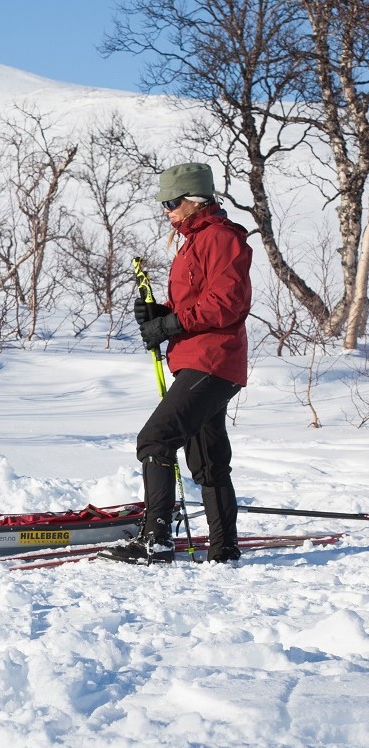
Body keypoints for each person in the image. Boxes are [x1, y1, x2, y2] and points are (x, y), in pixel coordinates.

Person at [102, 161, 253, 565]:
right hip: (201, 360)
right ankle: (224, 548)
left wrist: (171, 323)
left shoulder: (220, 237)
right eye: (164, 203)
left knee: (156, 439)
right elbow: (197, 301)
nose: (166, 210)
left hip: (212, 359)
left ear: (194, 200)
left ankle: (156, 541)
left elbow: (227, 303)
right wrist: (161, 314)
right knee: (207, 459)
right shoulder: (194, 241)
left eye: (171, 202)